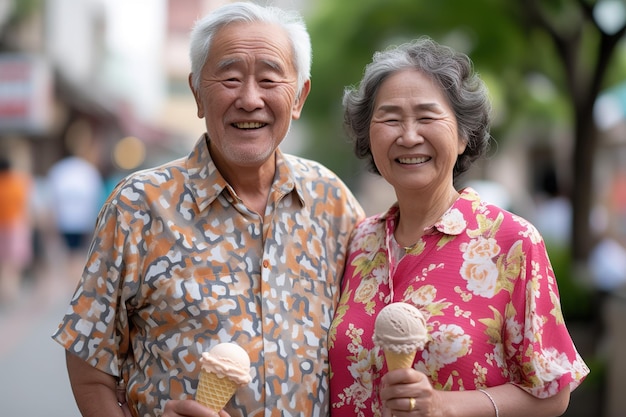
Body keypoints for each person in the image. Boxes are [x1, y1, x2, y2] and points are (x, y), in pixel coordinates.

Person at [52, 3, 364, 417]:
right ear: (198, 92)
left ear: (299, 96)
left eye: (269, 79)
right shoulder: (138, 206)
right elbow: (90, 359)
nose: (250, 99)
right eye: (230, 79)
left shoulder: (333, 202)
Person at [329, 37, 589, 417]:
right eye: (389, 118)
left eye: (426, 116)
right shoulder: (358, 242)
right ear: (369, 135)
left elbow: (552, 392)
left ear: (464, 133)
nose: (409, 135)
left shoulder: (512, 243)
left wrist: (444, 405)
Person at [0, 157, 32, 304]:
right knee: (14, 262)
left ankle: (6, 291)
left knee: (4, 262)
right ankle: (11, 291)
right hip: (15, 226)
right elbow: (25, 205)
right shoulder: (18, 183)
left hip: (3, 225)